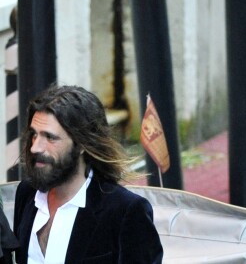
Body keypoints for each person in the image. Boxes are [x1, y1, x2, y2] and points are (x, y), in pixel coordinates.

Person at [13, 84, 163, 264]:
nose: (35, 147)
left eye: (50, 137)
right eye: (34, 135)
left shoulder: (125, 211)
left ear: (82, 144)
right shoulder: (27, 194)